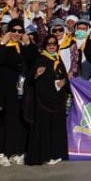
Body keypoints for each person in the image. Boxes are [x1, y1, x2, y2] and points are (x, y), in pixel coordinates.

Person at [0, 20, 33, 166]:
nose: (17, 34)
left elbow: (33, 61)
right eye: (14, 30)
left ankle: (17, 151)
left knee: (19, 121)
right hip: (4, 90)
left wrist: (28, 45)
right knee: (4, 121)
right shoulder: (2, 45)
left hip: (20, 91)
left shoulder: (23, 46)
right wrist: (2, 43)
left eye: (20, 31)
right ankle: (2, 152)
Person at [24, 33, 71, 165]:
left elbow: (64, 76)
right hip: (43, 101)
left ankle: (55, 153)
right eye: (49, 44)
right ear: (45, 45)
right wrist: (36, 74)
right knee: (43, 128)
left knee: (56, 128)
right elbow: (29, 80)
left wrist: (64, 81)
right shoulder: (40, 59)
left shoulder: (58, 58)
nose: (51, 46)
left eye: (54, 44)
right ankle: (44, 155)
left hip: (58, 101)